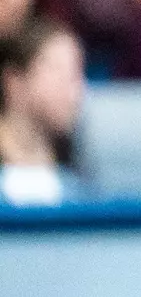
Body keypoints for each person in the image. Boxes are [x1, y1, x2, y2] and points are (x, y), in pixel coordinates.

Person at [0, 17, 86, 206]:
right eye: (57, 71)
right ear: (13, 82)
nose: (74, 91)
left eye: (76, 74)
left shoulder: (77, 163)